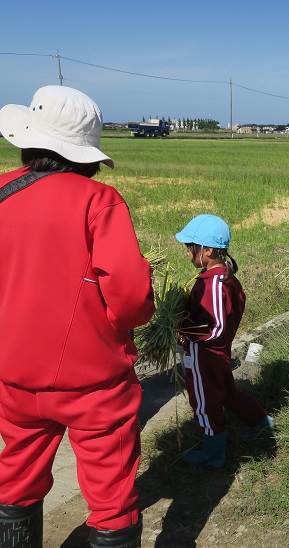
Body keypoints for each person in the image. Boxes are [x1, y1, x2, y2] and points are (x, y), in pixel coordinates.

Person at [0, 86, 154, 547]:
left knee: (16, 476)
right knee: (111, 496)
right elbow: (129, 296)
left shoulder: (3, 191)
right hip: (94, 381)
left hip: (13, 375)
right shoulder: (98, 201)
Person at [175, 215, 273, 468]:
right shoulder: (220, 278)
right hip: (216, 353)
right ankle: (259, 420)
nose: (188, 254)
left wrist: (185, 329)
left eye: (191, 248)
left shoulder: (215, 284)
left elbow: (216, 326)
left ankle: (213, 450)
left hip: (204, 353)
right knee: (227, 392)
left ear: (207, 250)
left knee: (203, 400)